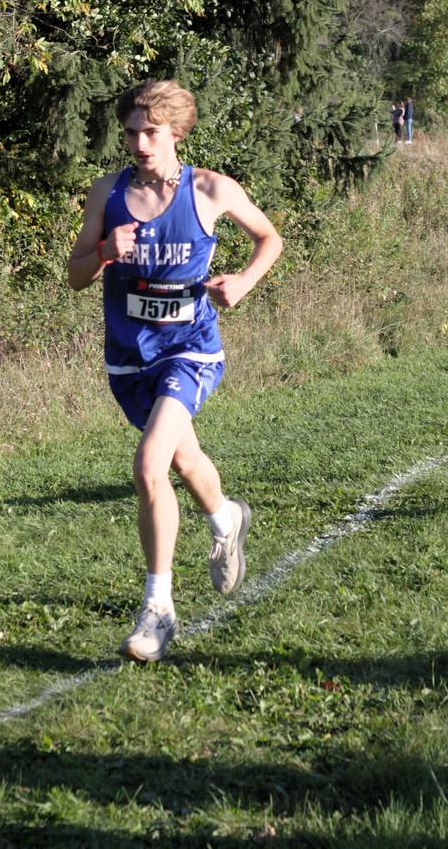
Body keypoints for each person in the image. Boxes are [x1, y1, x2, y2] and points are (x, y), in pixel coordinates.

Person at [68, 79, 283, 661]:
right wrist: (105, 253)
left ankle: (157, 610)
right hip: (129, 358)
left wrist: (241, 281)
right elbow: (74, 274)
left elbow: (269, 238)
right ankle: (226, 518)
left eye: (151, 132)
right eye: (132, 131)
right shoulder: (106, 195)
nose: (139, 143)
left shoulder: (211, 190)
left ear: (177, 133)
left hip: (190, 350)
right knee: (184, 460)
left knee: (148, 465)